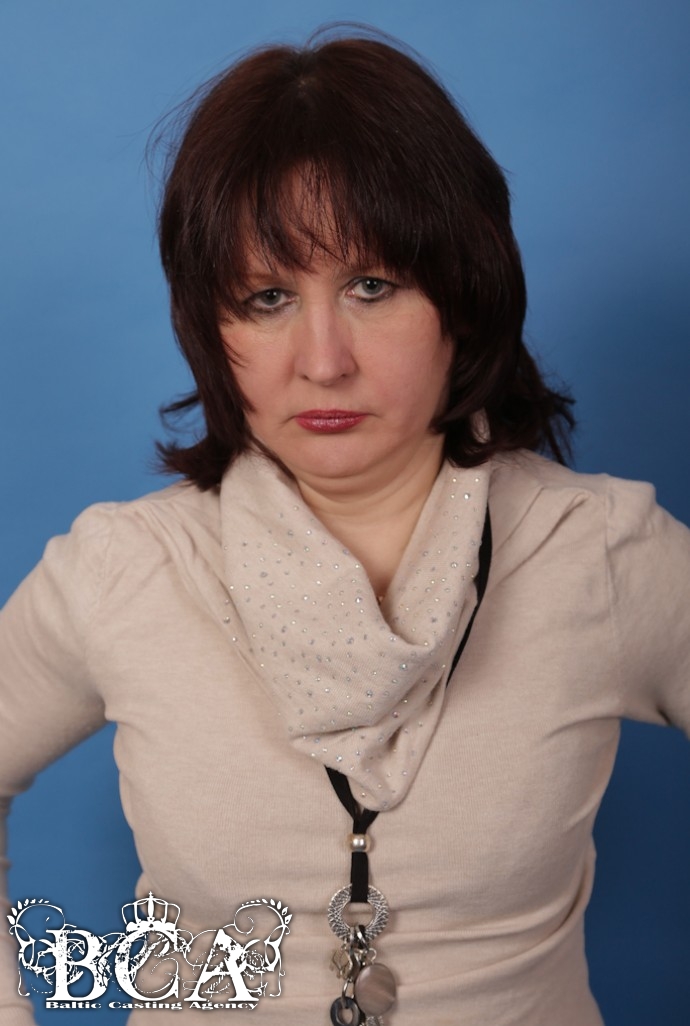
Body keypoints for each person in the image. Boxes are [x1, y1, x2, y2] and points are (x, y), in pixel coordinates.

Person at [1, 28, 689, 1026]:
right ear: (210, 327)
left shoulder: (598, 552)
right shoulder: (125, 567)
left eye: (372, 287)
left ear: (463, 297)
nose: (323, 360)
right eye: (267, 298)